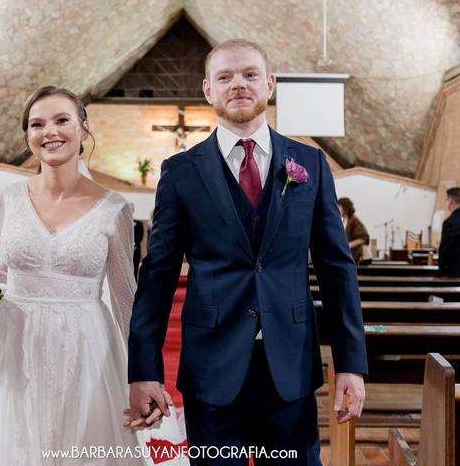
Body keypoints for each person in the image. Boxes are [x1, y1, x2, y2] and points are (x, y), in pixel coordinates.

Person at [126, 39, 368, 464]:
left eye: (250, 74)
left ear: (269, 84)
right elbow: (158, 274)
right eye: (225, 77)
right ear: (208, 90)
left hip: (290, 365)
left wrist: (351, 363)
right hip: (211, 366)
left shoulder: (310, 164)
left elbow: (337, 268)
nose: (238, 84)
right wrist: (144, 370)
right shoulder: (180, 173)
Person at [0, 86, 172, 465]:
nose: (50, 132)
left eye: (62, 120)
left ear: (83, 129)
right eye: (37, 124)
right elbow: (0, 275)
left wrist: (145, 374)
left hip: (84, 348)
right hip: (15, 347)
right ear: (27, 134)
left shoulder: (114, 208)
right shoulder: (7, 198)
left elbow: (126, 300)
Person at [338, 197, 370, 265]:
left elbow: (363, 238)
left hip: (356, 256)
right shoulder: (345, 220)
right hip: (349, 255)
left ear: (345, 208)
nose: (337, 209)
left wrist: (348, 245)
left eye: (339, 207)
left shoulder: (354, 220)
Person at [130, 204, 144, 279]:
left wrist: (134, 244)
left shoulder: (139, 223)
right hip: (126, 250)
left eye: (131, 209)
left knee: (135, 268)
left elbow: (140, 235)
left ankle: (134, 283)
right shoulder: (122, 223)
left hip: (136, 249)